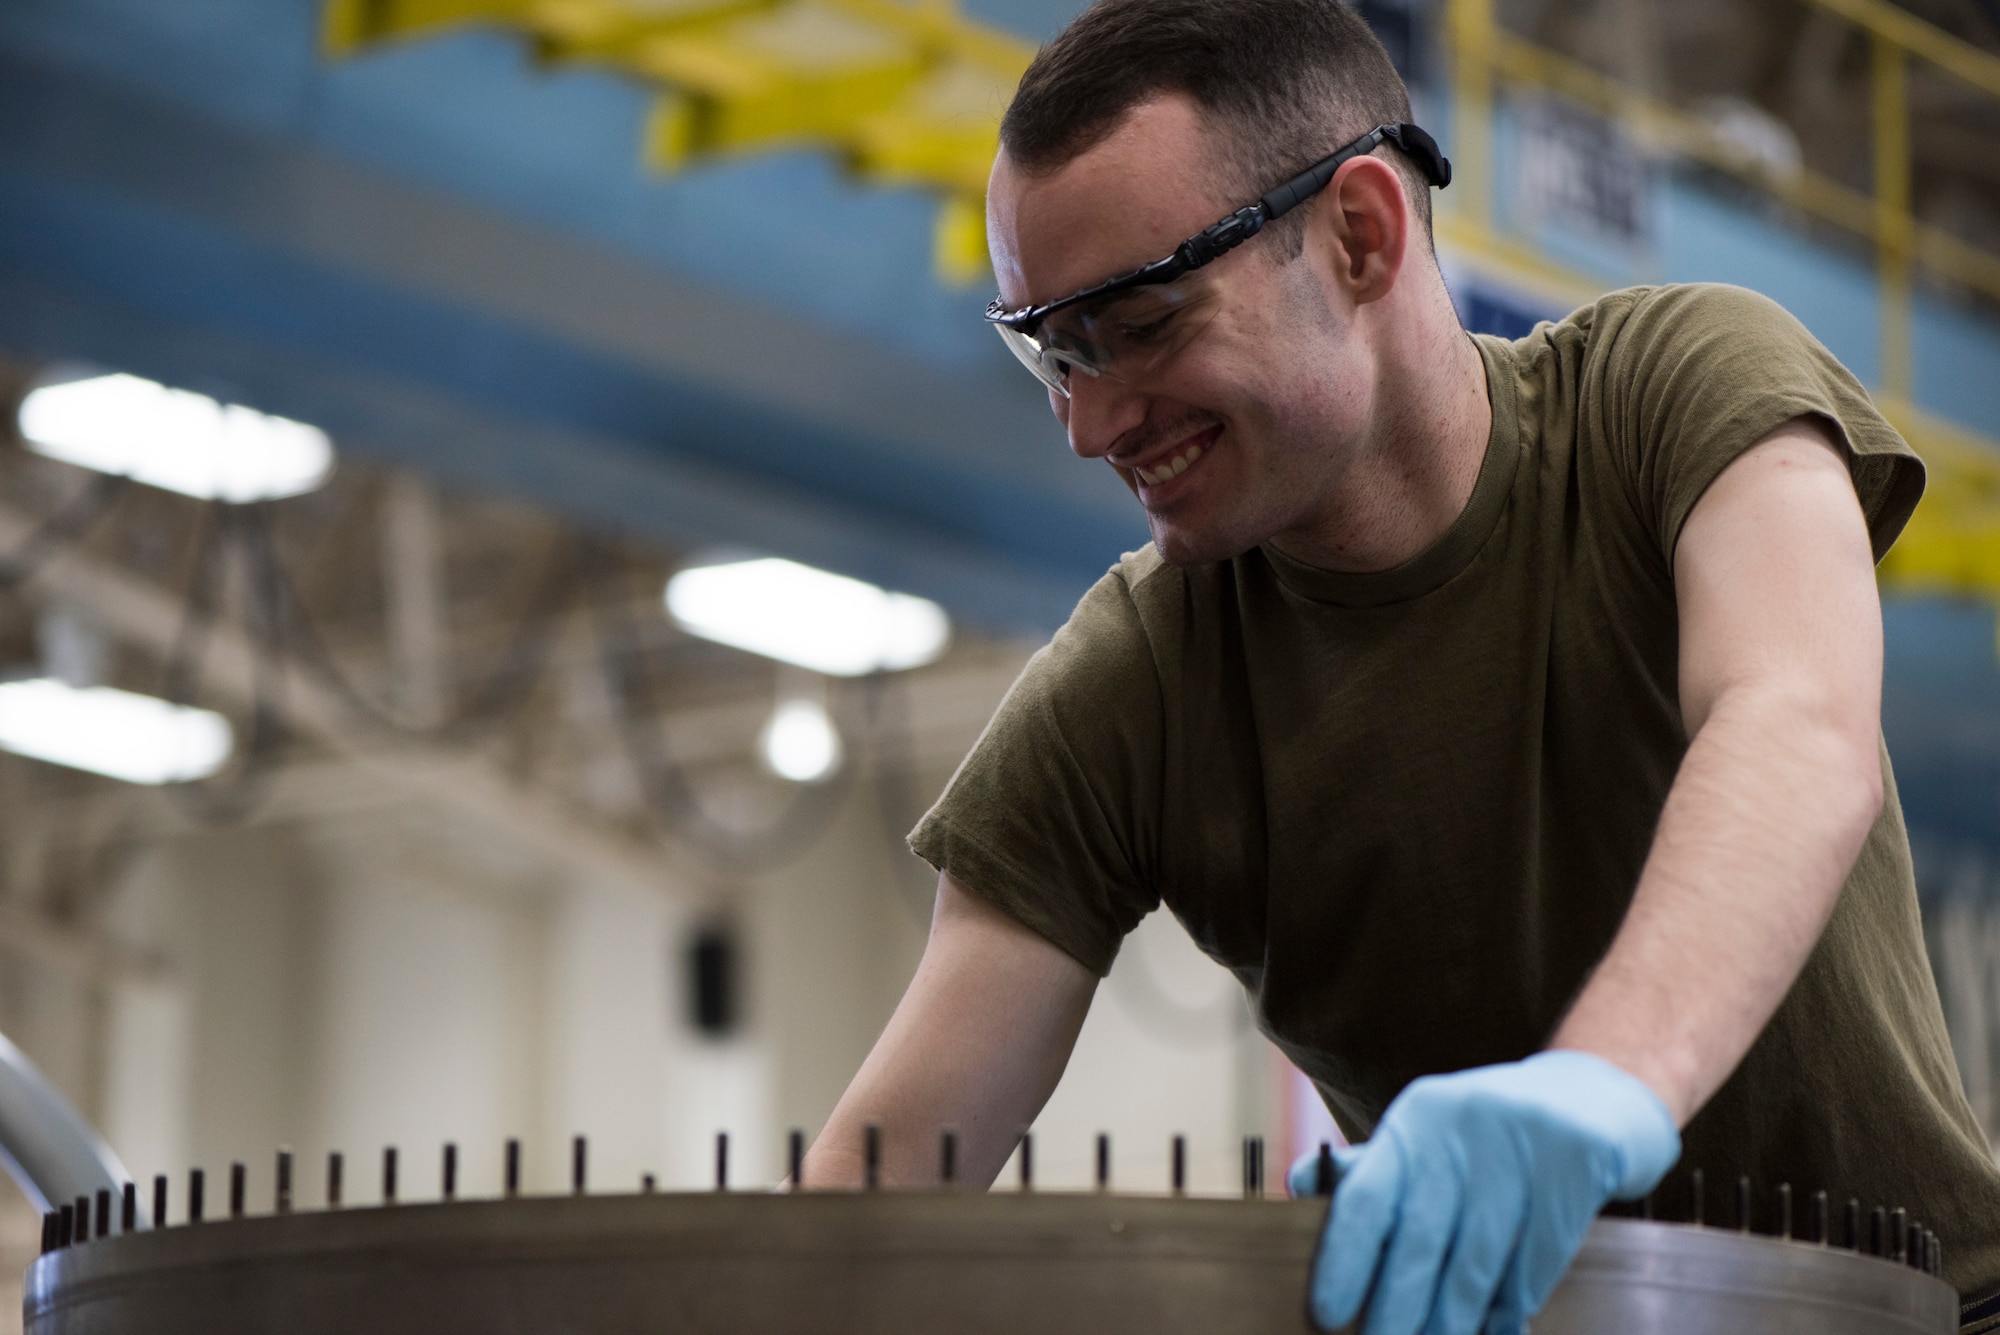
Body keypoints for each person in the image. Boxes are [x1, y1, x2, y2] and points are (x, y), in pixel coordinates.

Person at [801, 0, 2000, 1330]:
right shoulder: (1137, 685)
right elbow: (885, 1181)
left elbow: (1795, 729)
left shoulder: (1679, 394)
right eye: (1052, 352)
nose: (1087, 426)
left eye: (1137, 326)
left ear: (1361, 235)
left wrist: (1603, 1085)